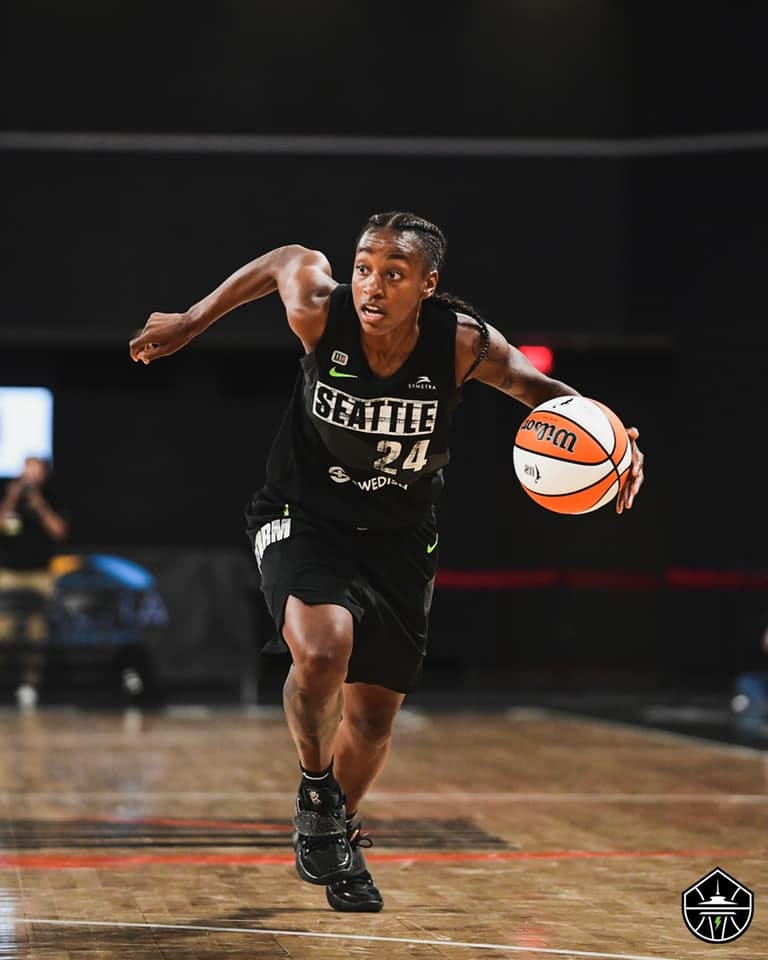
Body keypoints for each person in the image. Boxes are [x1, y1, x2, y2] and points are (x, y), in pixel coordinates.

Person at [129, 211, 645, 912]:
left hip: (400, 537)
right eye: (365, 269)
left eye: (393, 274)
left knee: (372, 720)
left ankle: (333, 831)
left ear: (427, 284)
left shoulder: (461, 343)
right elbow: (286, 257)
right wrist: (192, 320)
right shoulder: (321, 311)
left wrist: (613, 443)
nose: (372, 285)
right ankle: (316, 791)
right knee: (321, 649)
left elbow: (541, 392)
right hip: (303, 514)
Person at [0, 456, 69, 706]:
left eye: (35, 471)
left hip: (40, 574)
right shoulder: (9, 498)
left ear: (43, 475)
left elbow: (59, 531)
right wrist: (11, 499)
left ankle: (29, 684)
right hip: (8, 573)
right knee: (3, 628)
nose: (29, 477)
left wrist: (39, 505)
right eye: (26, 471)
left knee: (36, 630)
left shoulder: (51, 499)